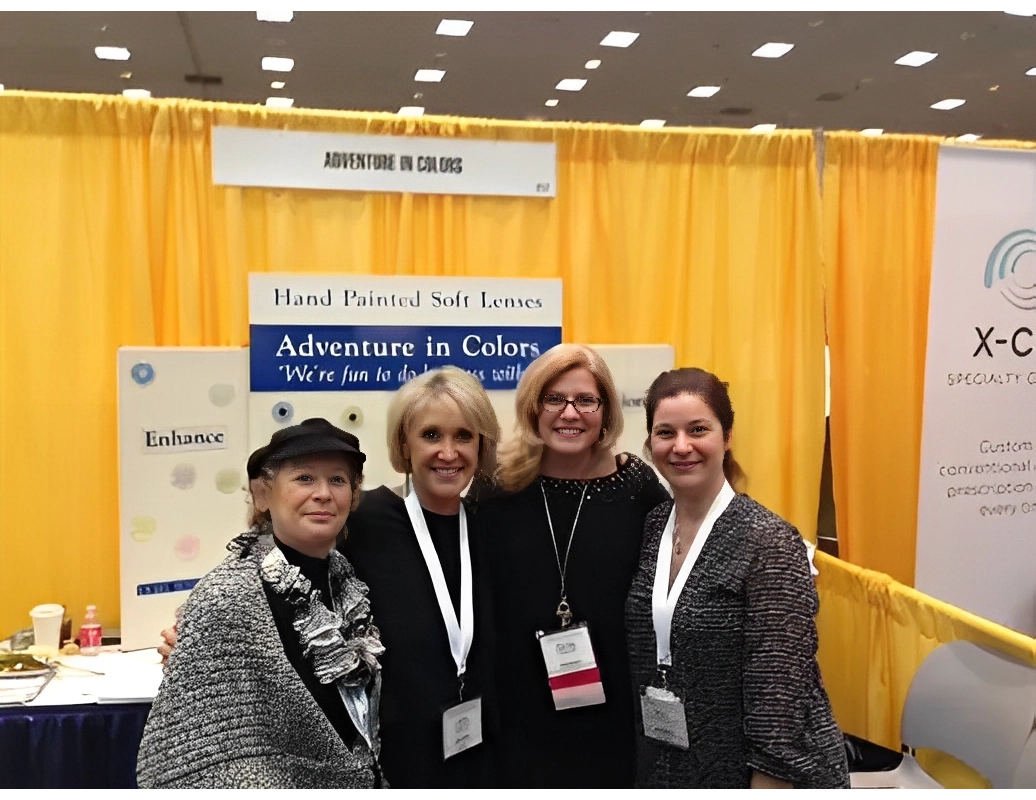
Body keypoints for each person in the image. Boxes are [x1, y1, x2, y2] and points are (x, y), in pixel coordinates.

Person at [625, 367, 850, 791]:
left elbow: (780, 697)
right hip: (676, 763)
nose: (682, 446)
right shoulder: (654, 526)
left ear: (727, 437)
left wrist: (768, 781)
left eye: (698, 430)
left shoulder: (768, 542)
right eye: (665, 432)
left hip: (761, 775)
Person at [137, 418, 386, 790]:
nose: (323, 493)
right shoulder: (227, 594)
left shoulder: (351, 584)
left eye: (337, 479)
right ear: (262, 494)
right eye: (304, 478)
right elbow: (185, 757)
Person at [475, 343, 671, 791]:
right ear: (533, 406)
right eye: (554, 399)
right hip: (518, 709)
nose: (570, 413)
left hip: (615, 709)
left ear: (605, 411)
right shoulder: (497, 488)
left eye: (586, 400)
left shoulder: (637, 487)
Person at [341, 365, 501, 791]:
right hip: (397, 762)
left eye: (464, 436)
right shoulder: (364, 518)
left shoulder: (493, 525)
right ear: (404, 445)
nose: (448, 452)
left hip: (482, 758)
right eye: (431, 435)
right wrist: (199, 629)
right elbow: (273, 568)